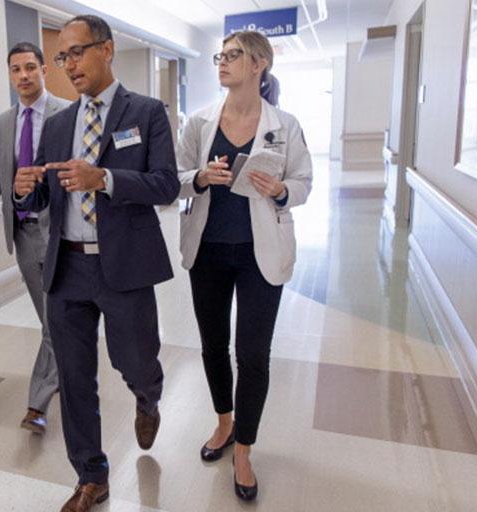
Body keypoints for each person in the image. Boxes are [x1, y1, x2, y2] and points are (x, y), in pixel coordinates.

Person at [14, 15, 180, 512]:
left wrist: (104, 178)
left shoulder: (146, 113)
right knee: (74, 377)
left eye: (77, 52)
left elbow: (166, 185)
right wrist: (27, 190)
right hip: (67, 268)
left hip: (124, 265)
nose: (69, 65)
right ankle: (92, 476)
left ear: (106, 50)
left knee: (136, 362)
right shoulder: (58, 124)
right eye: (62, 57)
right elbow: (47, 194)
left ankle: (147, 396)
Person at [175, 30, 312, 502]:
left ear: (259, 64)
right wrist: (199, 177)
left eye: (233, 55)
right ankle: (224, 423)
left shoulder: (285, 124)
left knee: (253, 355)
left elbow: (304, 180)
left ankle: (245, 450)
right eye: (221, 54)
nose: (222, 61)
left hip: (260, 254)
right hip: (208, 251)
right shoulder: (199, 123)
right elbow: (175, 178)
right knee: (213, 345)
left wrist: (282, 190)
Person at [0, 41, 70, 434]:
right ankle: (68, 371)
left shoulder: (68, 113)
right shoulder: (1, 124)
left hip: (61, 232)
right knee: (51, 318)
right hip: (24, 233)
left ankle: (37, 404)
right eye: (16, 69)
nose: (23, 75)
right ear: (10, 75)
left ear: (44, 69)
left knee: (54, 320)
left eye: (30, 67)